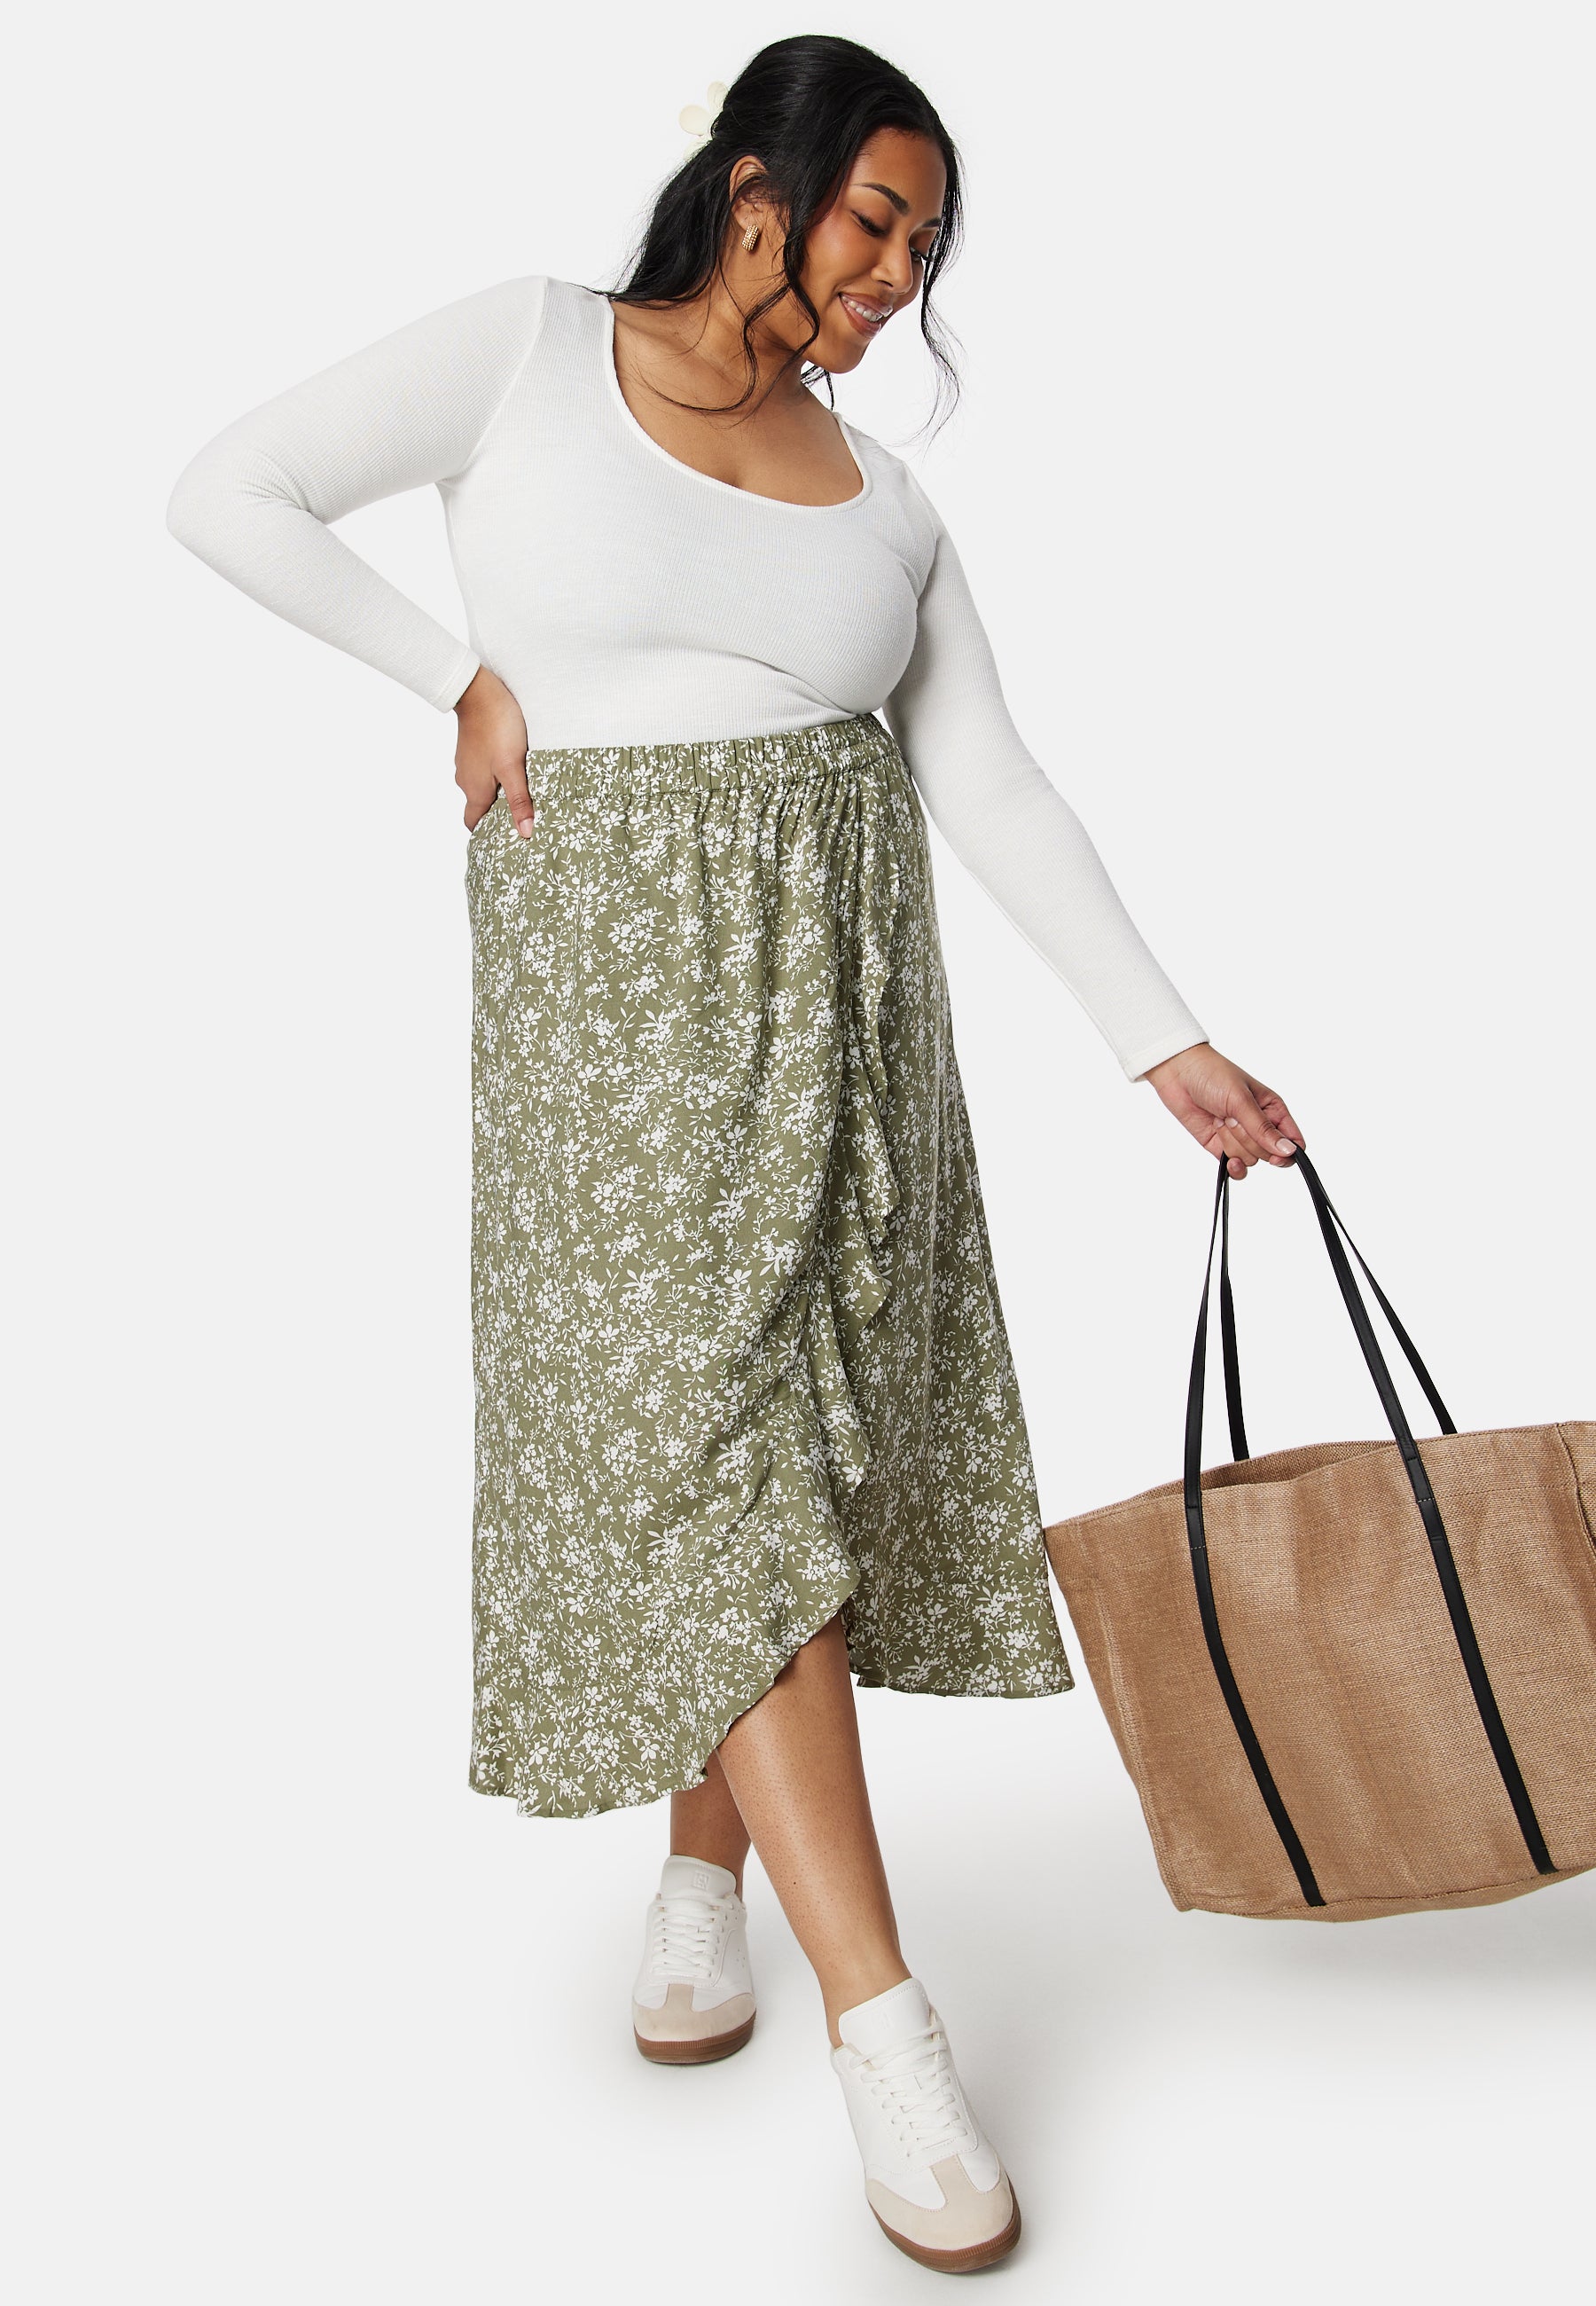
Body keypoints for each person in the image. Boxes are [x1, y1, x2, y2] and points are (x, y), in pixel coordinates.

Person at [166, 31, 1304, 2274]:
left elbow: (994, 782)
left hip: (850, 1025)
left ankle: (708, 1880)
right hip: (614, 1039)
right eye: (879, 220)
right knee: (706, 1449)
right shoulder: (525, 353)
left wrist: (1164, 1041)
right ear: (756, 187)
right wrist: (452, 674)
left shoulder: (885, 499)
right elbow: (231, 488)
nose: (901, 274)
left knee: (793, 1455)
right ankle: (887, 2027)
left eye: (931, 246)